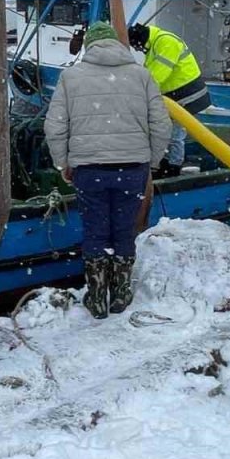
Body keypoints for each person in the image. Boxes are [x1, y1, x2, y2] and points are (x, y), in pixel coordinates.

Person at [45, 22, 171, 318]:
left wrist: (64, 163)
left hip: (89, 169)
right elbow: (162, 124)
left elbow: (54, 126)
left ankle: (97, 296)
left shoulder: (70, 77)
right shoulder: (142, 75)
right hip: (132, 168)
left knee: (96, 230)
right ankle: (121, 294)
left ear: (89, 45)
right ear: (116, 43)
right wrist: (150, 161)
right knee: (124, 229)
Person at [127, 23, 210, 177]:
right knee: (167, 131)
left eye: (136, 47)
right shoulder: (155, 44)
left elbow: (157, 77)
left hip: (187, 95)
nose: (138, 50)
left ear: (140, 40)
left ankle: (173, 167)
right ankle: (167, 162)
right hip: (175, 96)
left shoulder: (165, 42)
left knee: (175, 133)